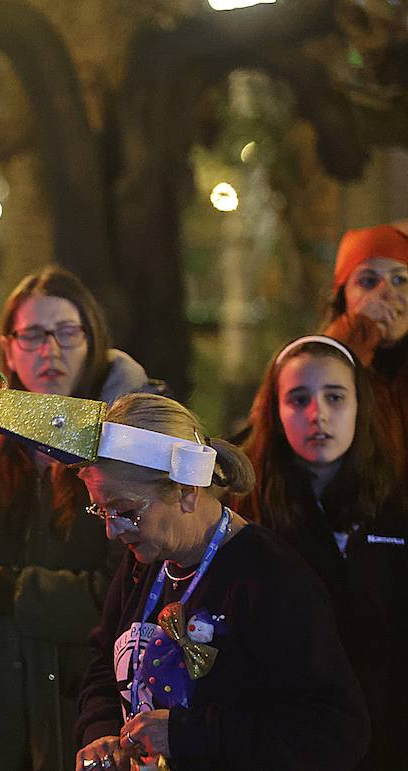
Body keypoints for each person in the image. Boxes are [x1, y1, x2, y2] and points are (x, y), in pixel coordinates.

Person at [0, 266, 149, 771]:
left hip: (91, 719)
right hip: (9, 716)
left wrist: (8, 590)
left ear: (93, 340)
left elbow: (125, 591)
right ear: (9, 348)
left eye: (67, 332)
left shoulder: (127, 447)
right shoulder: (0, 444)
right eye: (34, 335)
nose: (52, 350)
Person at [73, 393, 369, 770]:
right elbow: (103, 660)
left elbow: (337, 731)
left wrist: (188, 734)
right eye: (101, 509)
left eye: (126, 511)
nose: (112, 531)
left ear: (186, 491)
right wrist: (100, 732)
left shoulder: (269, 579)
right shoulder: (144, 561)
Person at [237, 335, 407, 769]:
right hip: (288, 740)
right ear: (274, 412)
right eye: (298, 399)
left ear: (359, 405)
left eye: (335, 397)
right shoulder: (246, 512)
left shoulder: (397, 504)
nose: (319, 415)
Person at [322, 222, 408, 476]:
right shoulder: (315, 359)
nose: (386, 293)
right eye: (369, 281)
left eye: (400, 280)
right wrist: (358, 332)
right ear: (343, 296)